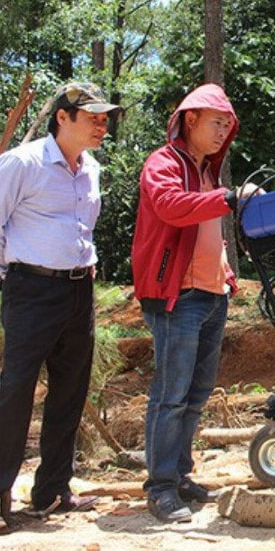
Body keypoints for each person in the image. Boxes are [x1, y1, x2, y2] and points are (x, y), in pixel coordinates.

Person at [131, 83, 260, 523]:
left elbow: (209, 231)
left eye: (229, 124)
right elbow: (170, 206)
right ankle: (161, 488)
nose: (224, 130)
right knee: (171, 395)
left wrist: (225, 275)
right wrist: (227, 198)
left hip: (211, 294)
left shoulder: (208, 172)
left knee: (197, 393)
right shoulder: (163, 163)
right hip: (178, 295)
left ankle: (180, 474)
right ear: (190, 119)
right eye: (216, 121)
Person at [0, 82, 122, 533]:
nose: (101, 125)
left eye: (105, 118)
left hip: (78, 292)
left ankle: (52, 490)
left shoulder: (90, 168)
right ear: (62, 118)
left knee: (70, 391)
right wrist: (11, 278)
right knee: (14, 393)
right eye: (92, 117)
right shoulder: (22, 163)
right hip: (31, 289)